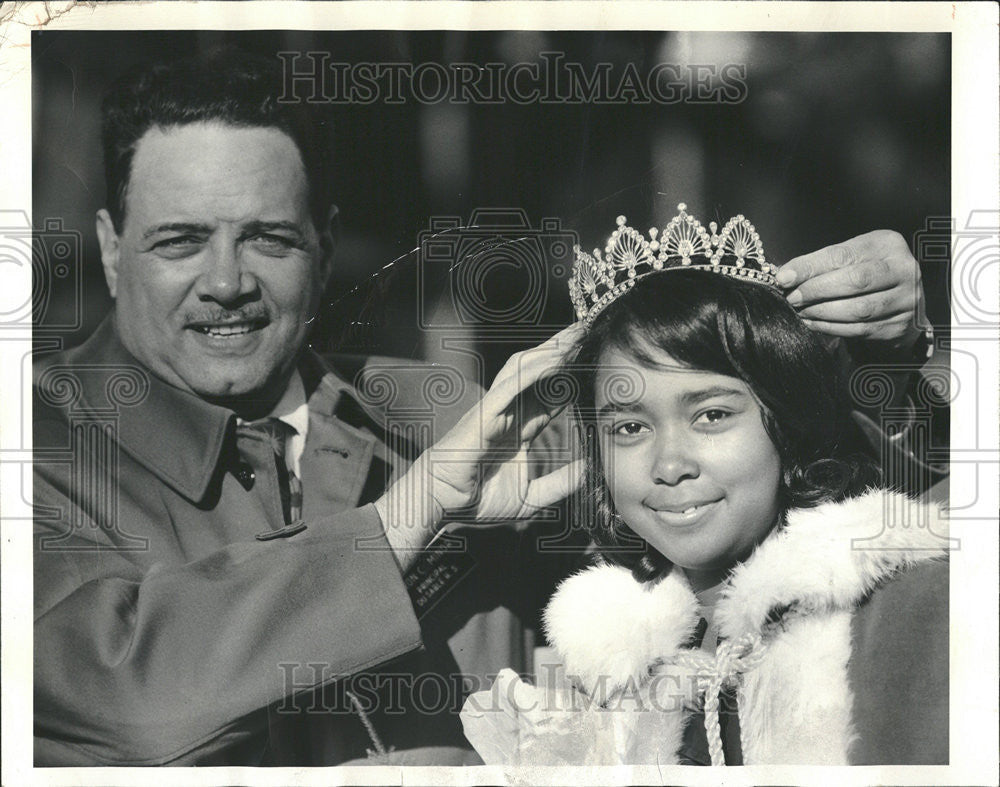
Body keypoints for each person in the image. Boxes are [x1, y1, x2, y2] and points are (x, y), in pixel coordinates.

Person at [32, 42, 939, 767]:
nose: (226, 282)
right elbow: (115, 697)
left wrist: (891, 371)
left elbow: (735, 517)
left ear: (326, 243)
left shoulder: (435, 409)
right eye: (181, 241)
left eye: (269, 237)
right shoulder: (38, 444)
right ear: (111, 250)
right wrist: (405, 519)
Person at [461, 208, 948, 766]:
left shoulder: (908, 612)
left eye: (712, 416)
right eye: (629, 427)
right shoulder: (606, 674)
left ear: (787, 422)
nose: (670, 465)